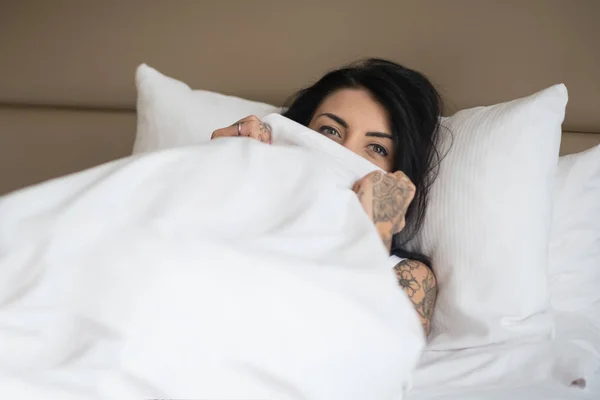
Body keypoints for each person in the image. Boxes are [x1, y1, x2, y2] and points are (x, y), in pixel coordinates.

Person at [211, 58, 442, 336]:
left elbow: (373, 363)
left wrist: (375, 231)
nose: (345, 154)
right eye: (329, 131)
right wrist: (221, 170)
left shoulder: (405, 277)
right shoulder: (238, 214)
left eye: (377, 148)